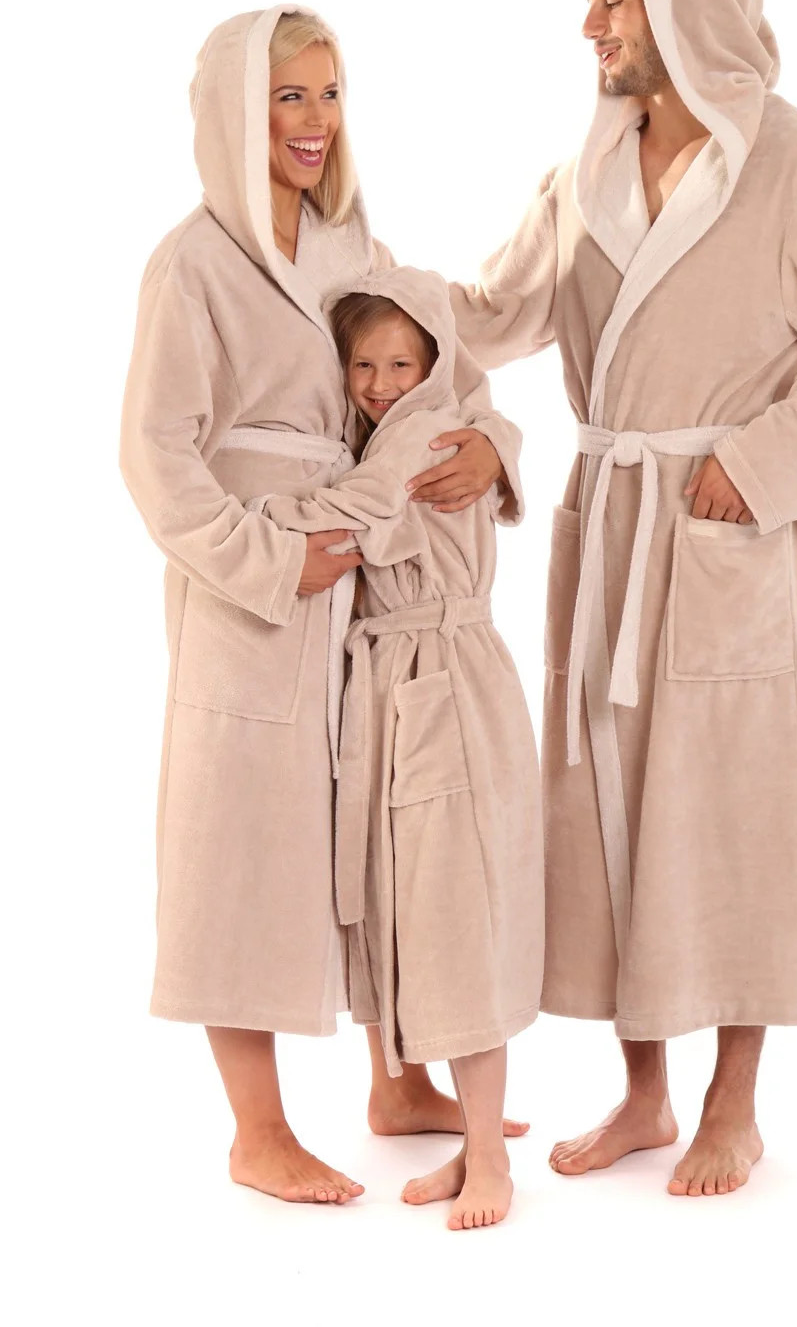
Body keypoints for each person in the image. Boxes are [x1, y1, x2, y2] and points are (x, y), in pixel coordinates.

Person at [416, 0, 797, 1197]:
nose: (588, 22)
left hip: (720, 529)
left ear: (685, 4)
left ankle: (732, 1106)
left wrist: (756, 467)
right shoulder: (587, 168)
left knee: (735, 805)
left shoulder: (793, 164)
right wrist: (350, 276)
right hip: (611, 523)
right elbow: (493, 312)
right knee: (608, 805)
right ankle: (643, 1094)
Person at [120, 5, 523, 1205]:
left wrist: (493, 449)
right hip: (253, 589)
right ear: (232, 113)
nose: (314, 121)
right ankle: (257, 1132)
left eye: (330, 93)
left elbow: (445, 372)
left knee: (377, 831)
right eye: (288, 96)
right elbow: (154, 453)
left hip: (367, 587)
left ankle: (398, 1082)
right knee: (238, 845)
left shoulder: (354, 246)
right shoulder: (191, 264)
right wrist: (260, 560)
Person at [256, 268, 543, 1229]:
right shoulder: (383, 433)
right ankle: (402, 1094)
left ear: (435, 364)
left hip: (442, 680)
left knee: (456, 910)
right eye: (363, 365)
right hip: (392, 680)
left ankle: (488, 1157)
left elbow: (353, 517)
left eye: (401, 364)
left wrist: (246, 516)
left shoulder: (425, 435)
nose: (381, 384)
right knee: (391, 898)